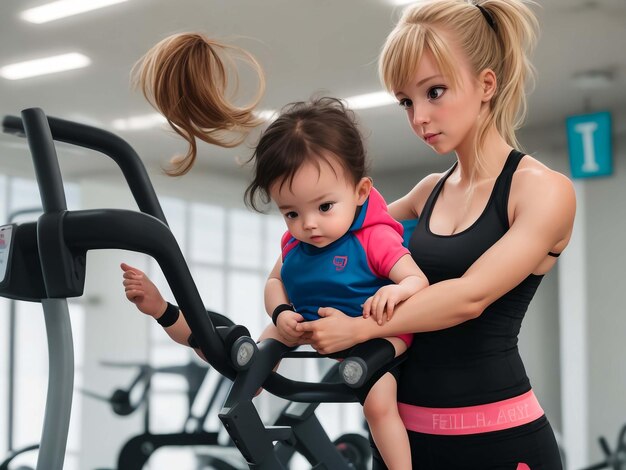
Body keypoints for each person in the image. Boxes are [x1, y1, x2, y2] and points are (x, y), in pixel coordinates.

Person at [121, 32, 428, 470]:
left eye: (324, 207)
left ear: (360, 192)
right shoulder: (296, 242)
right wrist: (281, 314)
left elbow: (418, 281)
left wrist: (394, 295)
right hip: (303, 327)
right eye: (291, 213)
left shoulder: (373, 238)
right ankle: (237, 384)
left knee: (378, 407)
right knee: (246, 360)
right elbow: (275, 281)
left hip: (374, 336)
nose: (309, 224)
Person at [295, 1, 576, 469]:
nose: (418, 117)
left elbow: (469, 297)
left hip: (498, 441)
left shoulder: (542, 191)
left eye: (435, 92)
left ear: (486, 84)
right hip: (407, 442)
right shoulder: (428, 193)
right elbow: (327, 233)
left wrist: (359, 328)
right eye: (407, 101)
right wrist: (283, 301)